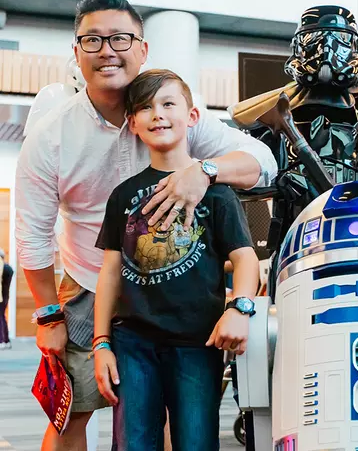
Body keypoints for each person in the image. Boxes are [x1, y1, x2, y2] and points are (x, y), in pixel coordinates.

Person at [15, 0, 277, 451]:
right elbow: (32, 234)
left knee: (179, 416)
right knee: (70, 414)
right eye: (92, 40)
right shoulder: (50, 134)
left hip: (177, 293)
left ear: (142, 47)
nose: (107, 50)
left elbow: (262, 159)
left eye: (120, 38)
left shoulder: (175, 116)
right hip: (89, 281)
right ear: (76, 52)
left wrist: (205, 170)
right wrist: (47, 313)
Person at [93, 68, 259, 450]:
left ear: (192, 116)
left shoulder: (217, 194)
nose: (158, 114)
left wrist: (241, 308)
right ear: (132, 123)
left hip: (197, 343)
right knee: (133, 443)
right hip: (132, 342)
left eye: (169, 104)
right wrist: (101, 343)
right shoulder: (123, 195)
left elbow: (246, 258)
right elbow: (111, 272)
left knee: (196, 441)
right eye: (146, 108)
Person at [0, 248, 13, 349]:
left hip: (1, 296)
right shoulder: (8, 267)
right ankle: (6, 340)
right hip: (5, 295)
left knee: (1, 317)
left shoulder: (3, 268)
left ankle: (2, 340)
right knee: (2, 317)